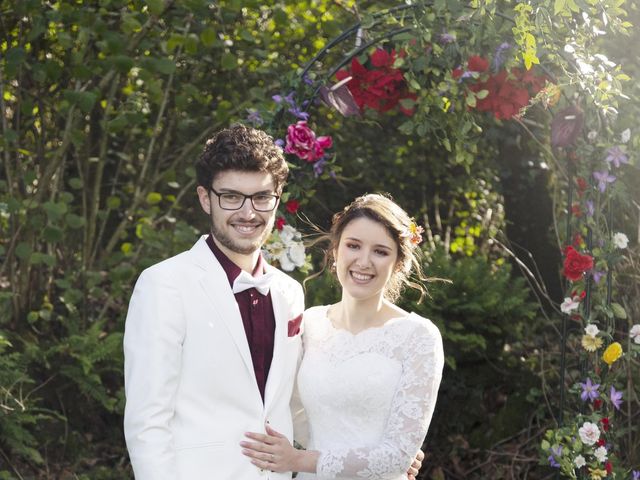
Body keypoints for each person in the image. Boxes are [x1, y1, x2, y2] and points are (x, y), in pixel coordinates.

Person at [123, 125, 424, 480]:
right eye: (231, 197)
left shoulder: (289, 292)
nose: (248, 213)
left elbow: (301, 407)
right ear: (205, 198)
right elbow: (147, 422)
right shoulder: (164, 285)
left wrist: (373, 456)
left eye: (261, 197)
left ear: (277, 198)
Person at [240, 193, 445, 479]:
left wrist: (300, 460)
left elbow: (397, 457)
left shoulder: (419, 337)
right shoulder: (310, 323)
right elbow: (291, 408)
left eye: (380, 251)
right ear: (336, 250)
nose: (364, 261)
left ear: (399, 262)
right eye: (353, 245)